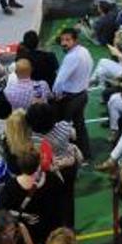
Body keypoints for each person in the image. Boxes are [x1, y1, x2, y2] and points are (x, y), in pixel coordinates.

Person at [53, 27, 92, 159]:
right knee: (80, 126)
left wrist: (56, 94)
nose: (64, 43)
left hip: (71, 99)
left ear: (75, 40)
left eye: (67, 40)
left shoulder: (71, 57)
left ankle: (66, 155)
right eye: (62, 40)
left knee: (63, 129)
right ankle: (85, 154)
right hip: (82, 94)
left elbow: (59, 81)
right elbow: (90, 66)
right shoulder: (84, 51)